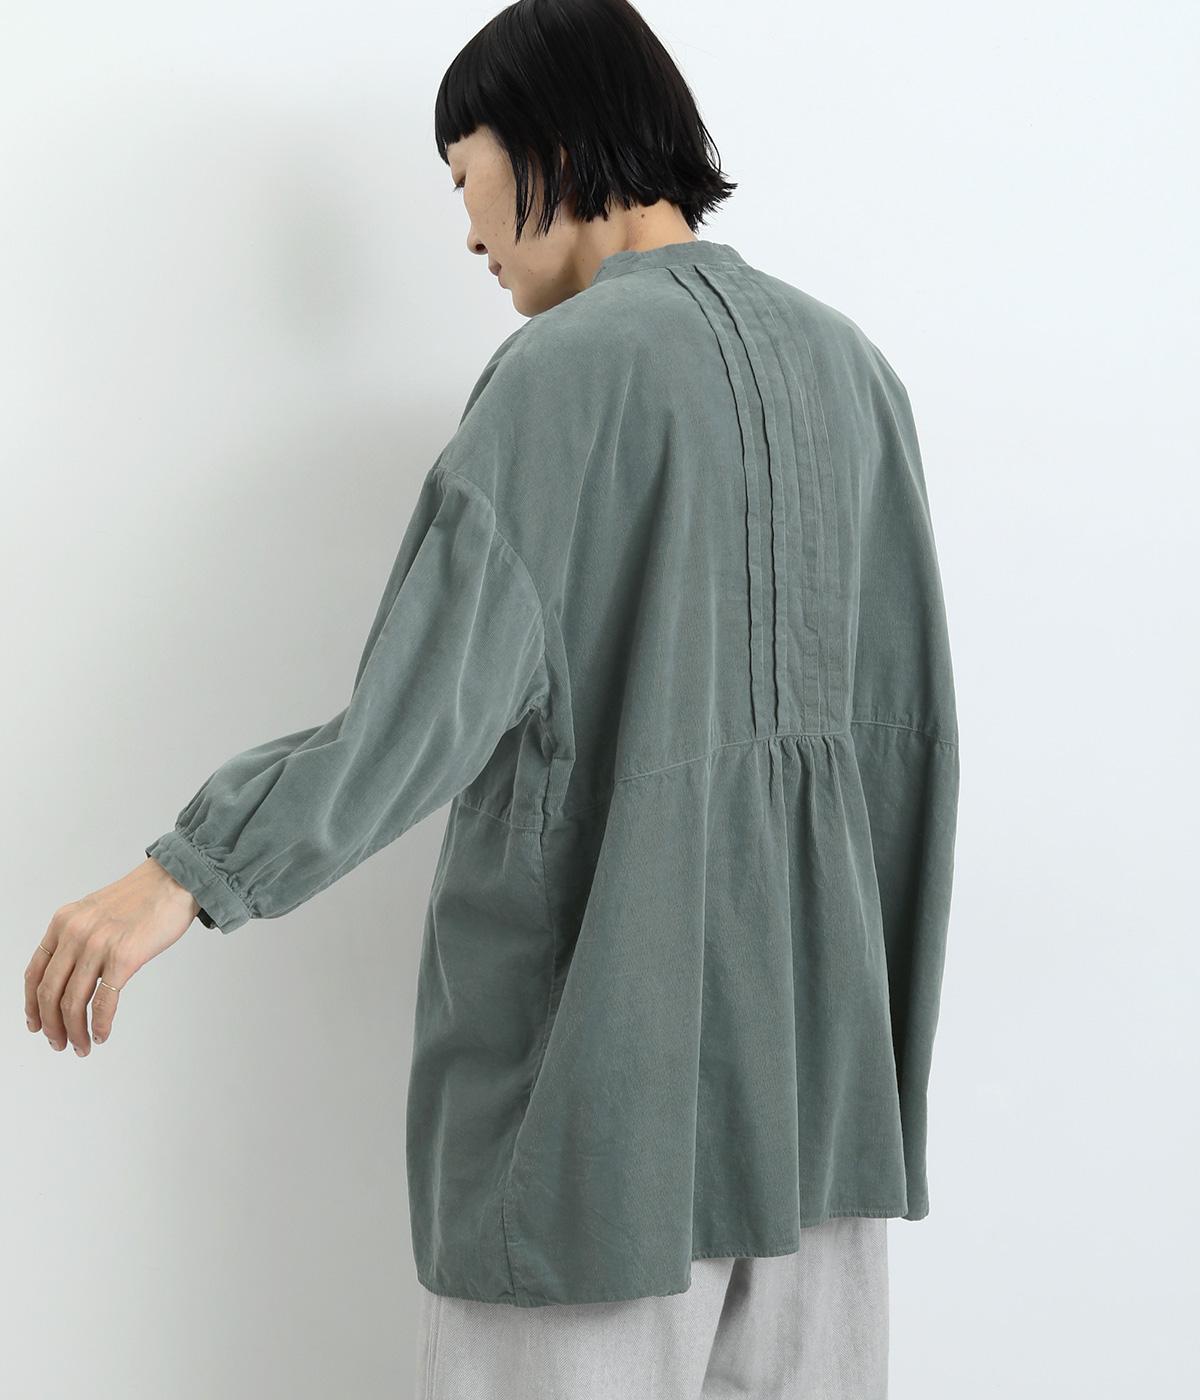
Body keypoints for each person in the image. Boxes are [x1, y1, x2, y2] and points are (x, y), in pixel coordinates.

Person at [25, 1, 959, 1395]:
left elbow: (413, 719)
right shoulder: (857, 371)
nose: (467, 232)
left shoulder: (562, 377)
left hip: (594, 1138)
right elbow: (910, 758)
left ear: (551, 149)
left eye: (464, 174)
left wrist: (187, 872)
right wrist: (868, 1056)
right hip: (822, 1131)